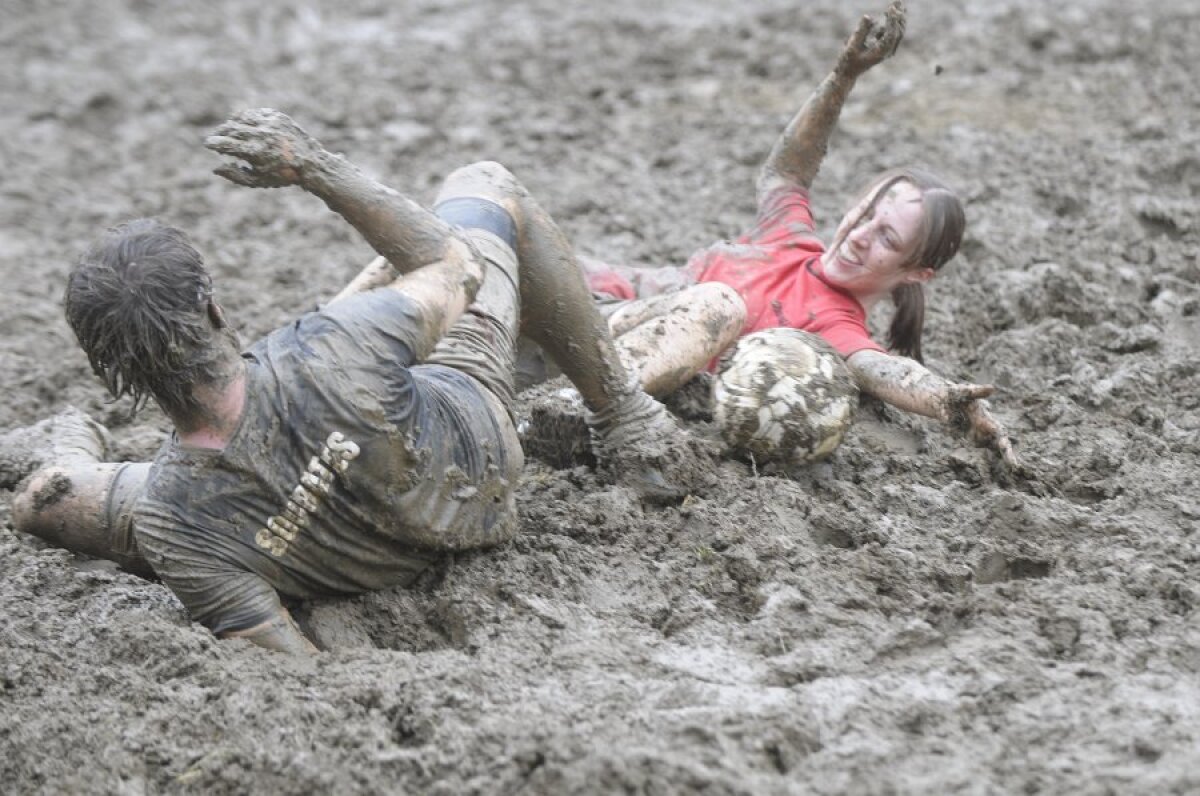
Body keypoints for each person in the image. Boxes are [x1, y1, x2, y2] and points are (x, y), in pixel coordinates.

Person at [8, 109, 721, 654]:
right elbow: (455, 268)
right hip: (477, 464)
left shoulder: (170, 521)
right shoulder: (329, 344)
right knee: (485, 187)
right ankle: (626, 420)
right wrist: (313, 166)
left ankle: (65, 438)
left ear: (114, 373)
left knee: (44, 501)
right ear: (213, 307)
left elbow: (282, 654)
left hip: (352, 548)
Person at [517, 1, 1019, 467]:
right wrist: (843, 77)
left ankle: (558, 414)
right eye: (866, 212)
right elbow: (787, 172)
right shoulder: (790, 234)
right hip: (575, 304)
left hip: (587, 361)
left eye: (887, 239)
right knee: (507, 222)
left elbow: (886, 372)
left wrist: (948, 401)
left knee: (719, 303)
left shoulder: (837, 331)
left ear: (916, 273)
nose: (860, 234)